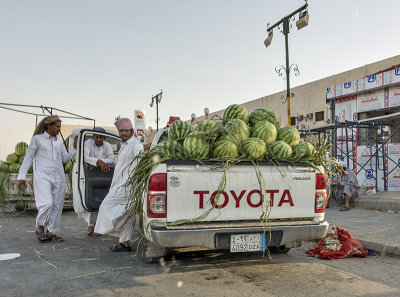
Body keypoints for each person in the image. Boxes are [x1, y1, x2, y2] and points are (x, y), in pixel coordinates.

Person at [17, 115, 76, 242]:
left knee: (57, 205)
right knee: (47, 203)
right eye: (57, 127)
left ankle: (51, 232)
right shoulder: (37, 139)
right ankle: (40, 228)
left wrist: (74, 148)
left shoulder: (59, 142)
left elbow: (65, 159)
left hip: (58, 177)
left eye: (60, 127)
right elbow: (28, 158)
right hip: (42, 176)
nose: (59, 129)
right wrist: (21, 177)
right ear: (49, 126)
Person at [94, 118, 143, 252]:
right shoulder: (124, 145)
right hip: (120, 185)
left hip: (127, 187)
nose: (123, 133)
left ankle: (112, 232)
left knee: (106, 207)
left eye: (125, 131)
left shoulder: (135, 145)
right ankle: (124, 242)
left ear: (132, 131)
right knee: (127, 215)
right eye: (121, 131)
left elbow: (141, 160)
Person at [79, 127, 115, 236]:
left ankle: (98, 227)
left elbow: (112, 160)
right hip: (89, 175)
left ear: (104, 138)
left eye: (100, 137)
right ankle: (91, 226)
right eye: (96, 137)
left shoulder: (107, 145)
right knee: (90, 200)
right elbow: (85, 157)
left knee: (102, 201)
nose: (98, 139)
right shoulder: (88, 143)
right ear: (93, 137)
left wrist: (100, 163)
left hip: (102, 176)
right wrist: (97, 161)